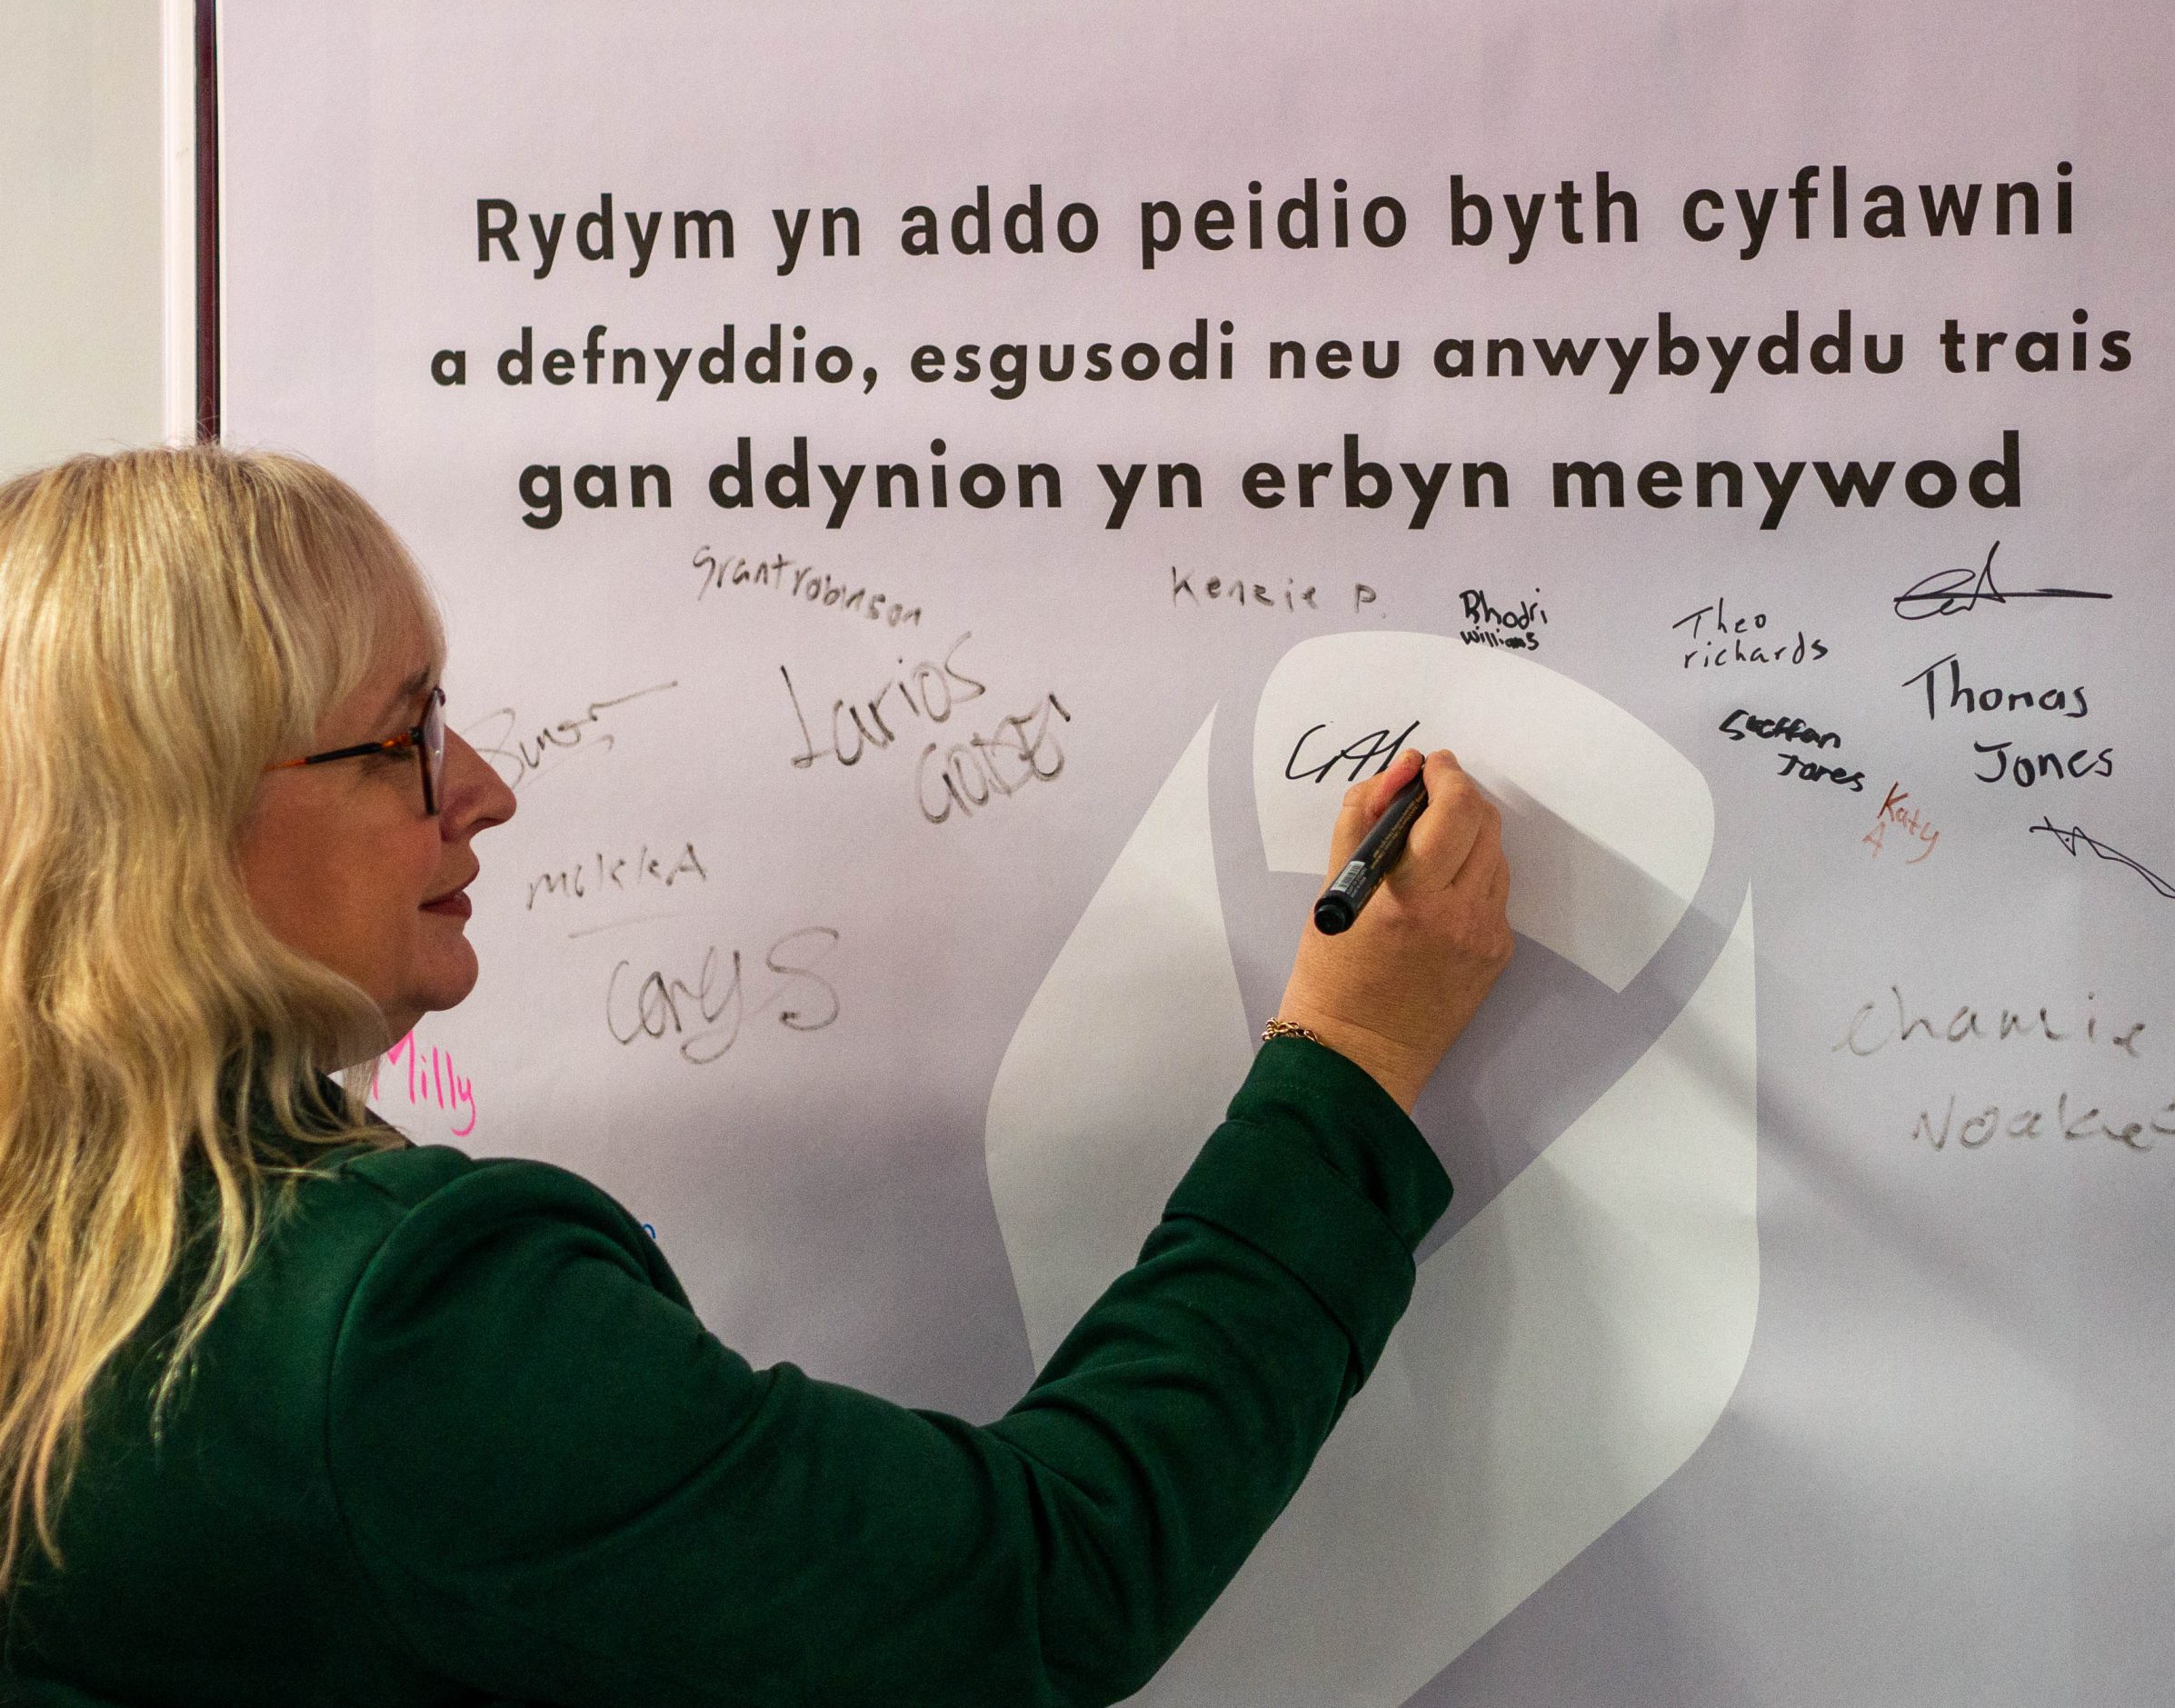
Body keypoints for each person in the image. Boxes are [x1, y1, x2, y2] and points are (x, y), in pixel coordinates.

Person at [0, 446, 1512, 1705]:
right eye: (407, 734)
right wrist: (1355, 1061)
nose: (482, 789)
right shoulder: (393, 1318)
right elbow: (1040, 1587)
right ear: (178, 828)